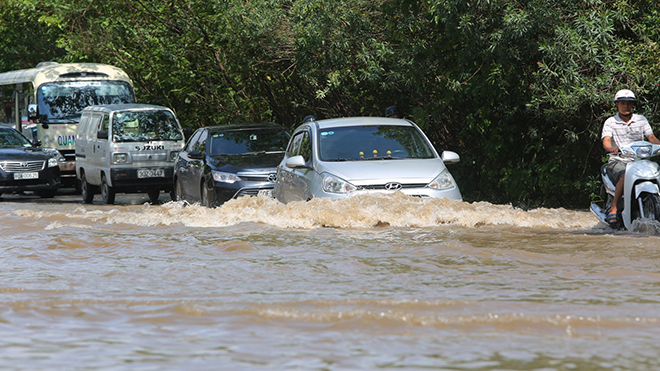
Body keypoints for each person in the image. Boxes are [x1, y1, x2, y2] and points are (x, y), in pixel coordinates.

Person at [601, 89, 660, 226]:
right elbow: (606, 141)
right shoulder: (610, 122)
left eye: (629, 103)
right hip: (619, 160)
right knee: (625, 175)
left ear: (633, 105)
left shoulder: (641, 120)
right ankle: (614, 208)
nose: (626, 106)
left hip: (641, 160)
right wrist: (611, 148)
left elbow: (651, 138)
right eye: (622, 103)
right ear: (617, 104)